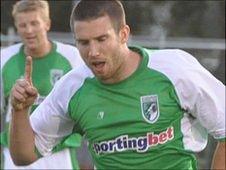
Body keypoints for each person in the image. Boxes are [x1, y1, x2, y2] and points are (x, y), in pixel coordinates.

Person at [9, 0, 225, 169]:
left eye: (102, 39)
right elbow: (23, 155)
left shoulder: (175, 69)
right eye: (83, 42)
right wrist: (20, 111)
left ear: (124, 34)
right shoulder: (72, 88)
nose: (93, 52)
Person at [0, 0, 85, 169]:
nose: (29, 30)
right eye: (23, 25)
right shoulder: (4, 58)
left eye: (34, 23)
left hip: (58, 155)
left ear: (47, 24)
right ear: (17, 27)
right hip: (15, 157)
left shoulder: (72, 57)